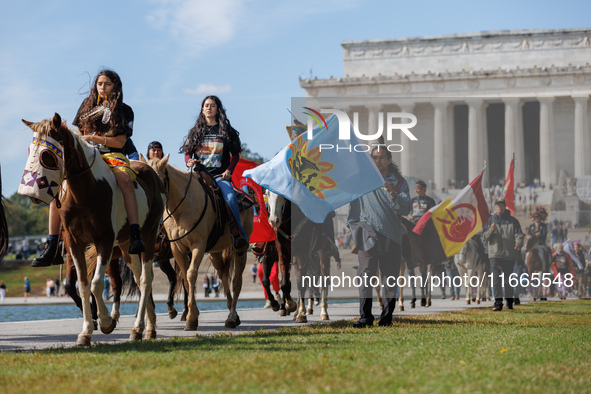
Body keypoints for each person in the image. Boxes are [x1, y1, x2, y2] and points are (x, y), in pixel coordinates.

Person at [31, 69, 145, 268]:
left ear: (115, 86)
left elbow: (119, 142)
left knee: (126, 180)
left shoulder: (125, 110)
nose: (103, 87)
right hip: (86, 155)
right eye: (100, 84)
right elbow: (78, 133)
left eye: (107, 84)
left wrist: (93, 138)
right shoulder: (86, 106)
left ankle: (135, 232)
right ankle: (52, 245)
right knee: (59, 189)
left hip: (111, 155)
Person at [348, 147, 411, 327]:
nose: (378, 161)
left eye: (382, 157)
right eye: (374, 158)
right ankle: (365, 317)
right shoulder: (363, 180)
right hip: (367, 232)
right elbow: (353, 203)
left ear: (389, 159)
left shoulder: (399, 183)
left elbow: (406, 208)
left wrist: (394, 194)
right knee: (365, 274)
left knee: (389, 278)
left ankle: (386, 318)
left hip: (391, 235)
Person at [181, 95, 248, 252]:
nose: (208, 108)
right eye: (206, 105)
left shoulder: (226, 131)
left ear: (218, 109)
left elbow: (236, 155)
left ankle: (238, 234)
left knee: (231, 198)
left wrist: (228, 171)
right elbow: (187, 153)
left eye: (212, 105)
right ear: (202, 109)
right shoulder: (195, 131)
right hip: (199, 176)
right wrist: (188, 161)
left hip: (219, 177)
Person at [482, 198, 524, 311]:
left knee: (507, 280)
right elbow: (485, 237)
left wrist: (519, 243)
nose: (499, 207)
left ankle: (509, 303)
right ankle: (498, 303)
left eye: (501, 205)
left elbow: (519, 234)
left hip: (509, 254)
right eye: (497, 205)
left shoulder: (513, 221)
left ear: (505, 207)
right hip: (494, 255)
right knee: (496, 280)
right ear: (495, 207)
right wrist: (491, 230)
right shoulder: (490, 220)